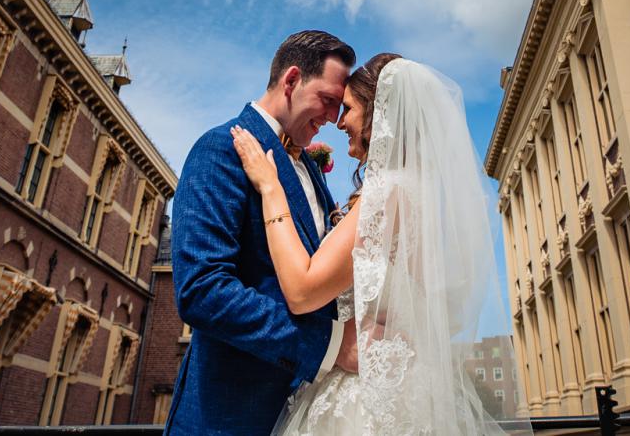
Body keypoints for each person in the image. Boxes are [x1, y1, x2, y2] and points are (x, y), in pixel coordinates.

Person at [230, 53, 524, 435]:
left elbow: (303, 292)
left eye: (349, 109)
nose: (340, 122)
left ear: (377, 112)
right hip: (409, 387)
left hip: (364, 396)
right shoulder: (418, 193)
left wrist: (270, 188)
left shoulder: (388, 192)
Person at [166, 31, 357, 436]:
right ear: (291, 81)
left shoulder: (309, 168)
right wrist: (330, 345)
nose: (334, 120)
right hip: (233, 416)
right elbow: (202, 290)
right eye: (327, 101)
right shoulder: (219, 149)